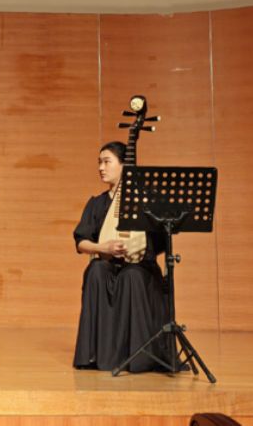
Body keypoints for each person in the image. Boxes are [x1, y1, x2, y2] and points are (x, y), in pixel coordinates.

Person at [73, 141, 169, 372]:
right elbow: (81, 242)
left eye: (107, 162)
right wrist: (102, 247)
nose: (101, 168)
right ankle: (96, 355)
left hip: (140, 269)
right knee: (96, 270)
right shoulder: (97, 203)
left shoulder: (145, 201)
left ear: (125, 165)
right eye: (99, 162)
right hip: (108, 265)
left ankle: (139, 357)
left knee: (131, 275)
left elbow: (162, 241)